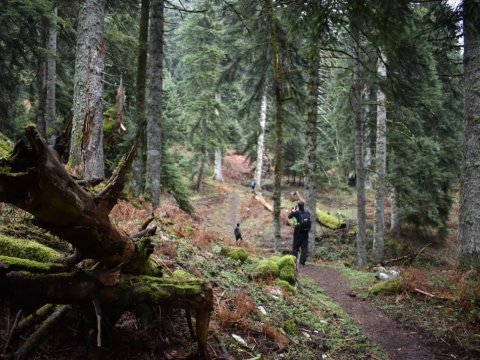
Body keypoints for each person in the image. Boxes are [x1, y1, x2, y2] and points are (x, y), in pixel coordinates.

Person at [288, 201, 311, 267]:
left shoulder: (296, 213)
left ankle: (294, 262)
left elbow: (289, 216)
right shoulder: (307, 213)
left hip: (298, 233)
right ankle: (302, 263)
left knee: (295, 248)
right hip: (305, 233)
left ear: (298, 206)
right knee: (304, 248)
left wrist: (293, 211)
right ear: (303, 206)